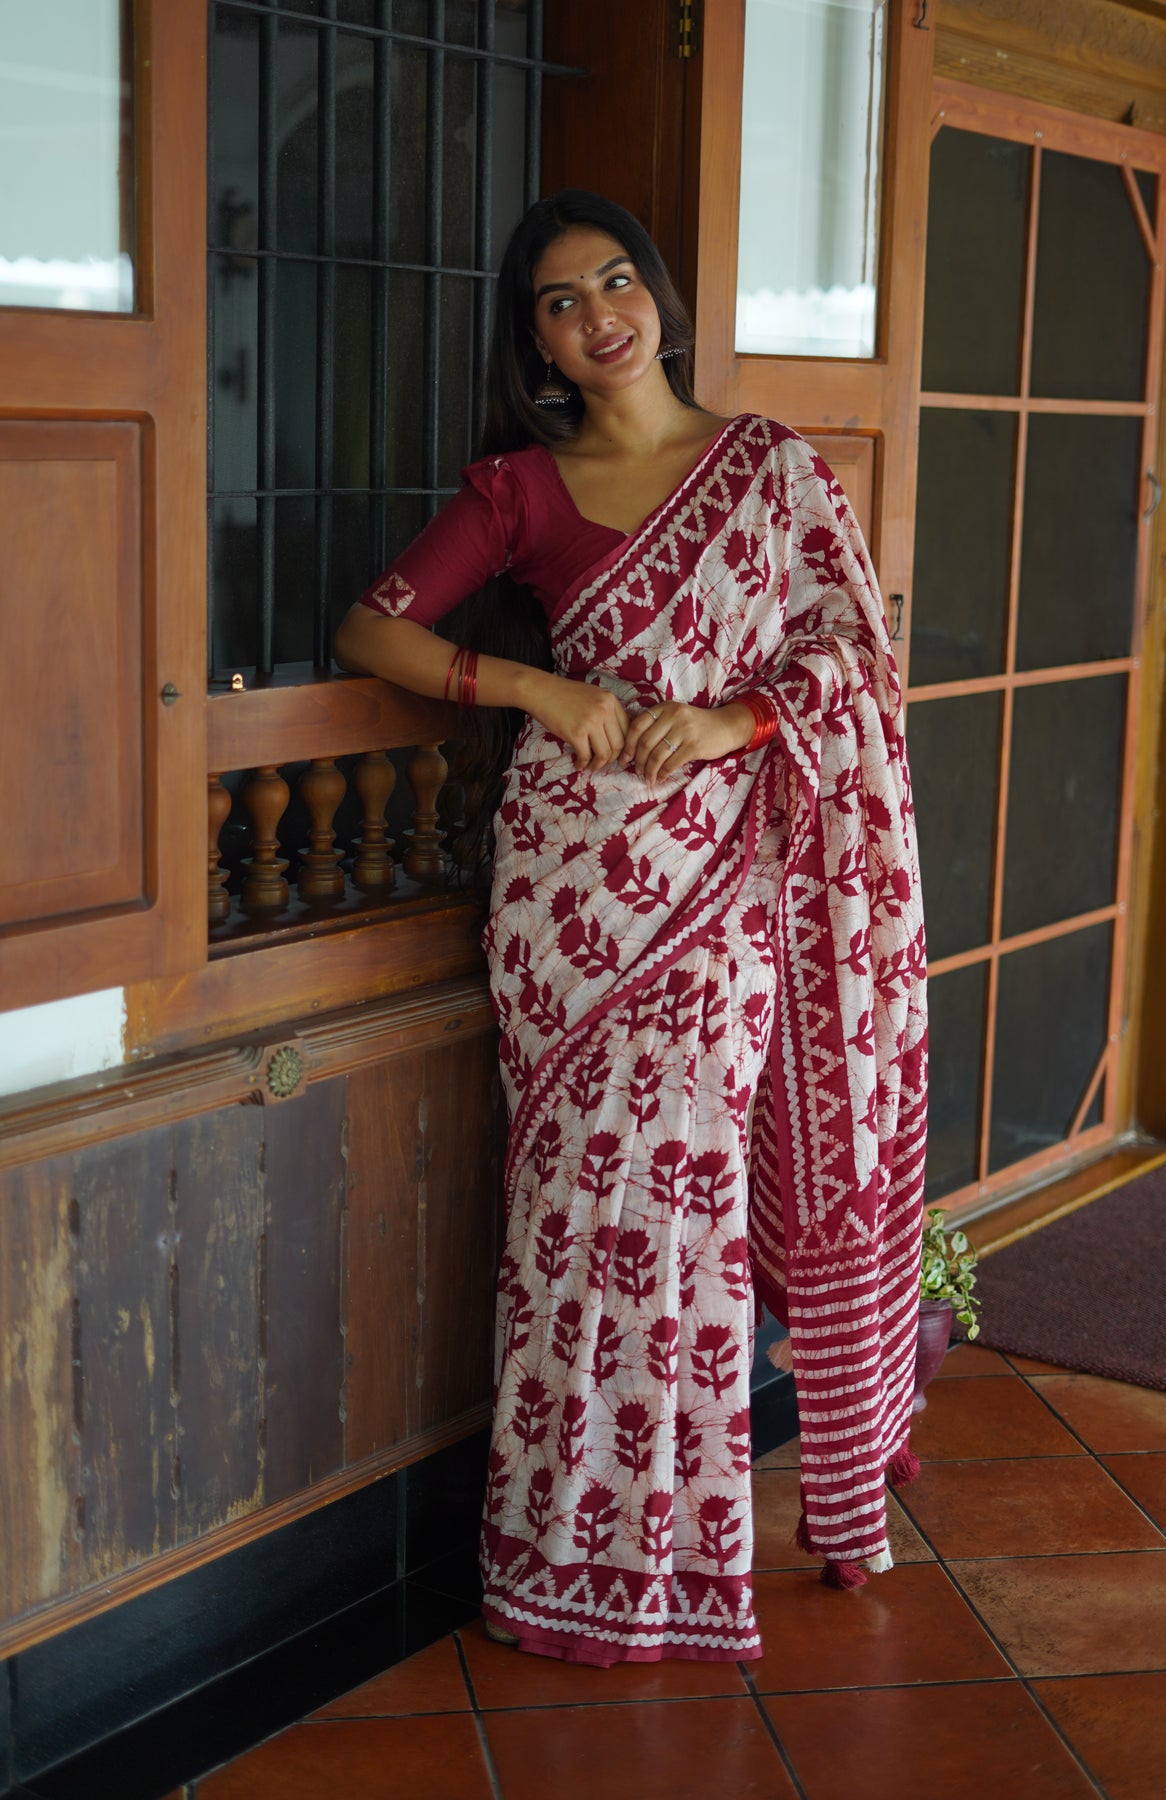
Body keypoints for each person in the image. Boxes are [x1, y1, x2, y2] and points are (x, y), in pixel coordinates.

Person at [334, 190, 927, 1668]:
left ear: (656, 295)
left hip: (719, 880)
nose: (597, 311)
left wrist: (734, 718)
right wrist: (536, 691)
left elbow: (854, 654)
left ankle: (677, 1547)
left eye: (615, 280)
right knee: (579, 1217)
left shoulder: (771, 469)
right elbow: (376, 628)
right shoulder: (522, 490)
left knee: (684, 1204)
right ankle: (569, 1559)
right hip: (568, 891)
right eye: (556, 299)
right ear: (532, 340)